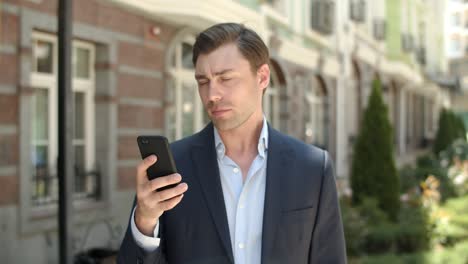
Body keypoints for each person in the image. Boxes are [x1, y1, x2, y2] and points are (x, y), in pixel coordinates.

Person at [117, 22, 346, 264]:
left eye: (225, 78)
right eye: (203, 81)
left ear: (262, 77)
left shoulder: (312, 168)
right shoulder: (174, 166)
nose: (212, 94)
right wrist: (144, 222)